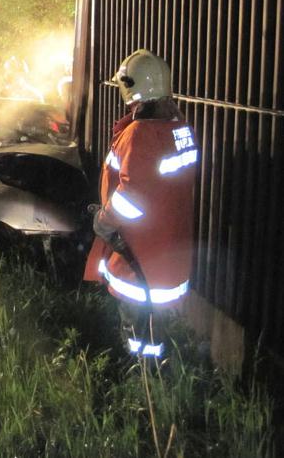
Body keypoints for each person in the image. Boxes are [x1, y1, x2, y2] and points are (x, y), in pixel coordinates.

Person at [83, 49, 199, 359]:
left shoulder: (141, 134)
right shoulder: (179, 129)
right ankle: (156, 371)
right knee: (155, 328)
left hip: (139, 254)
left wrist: (105, 220)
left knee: (137, 333)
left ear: (130, 88)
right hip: (168, 252)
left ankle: (140, 378)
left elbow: (132, 197)